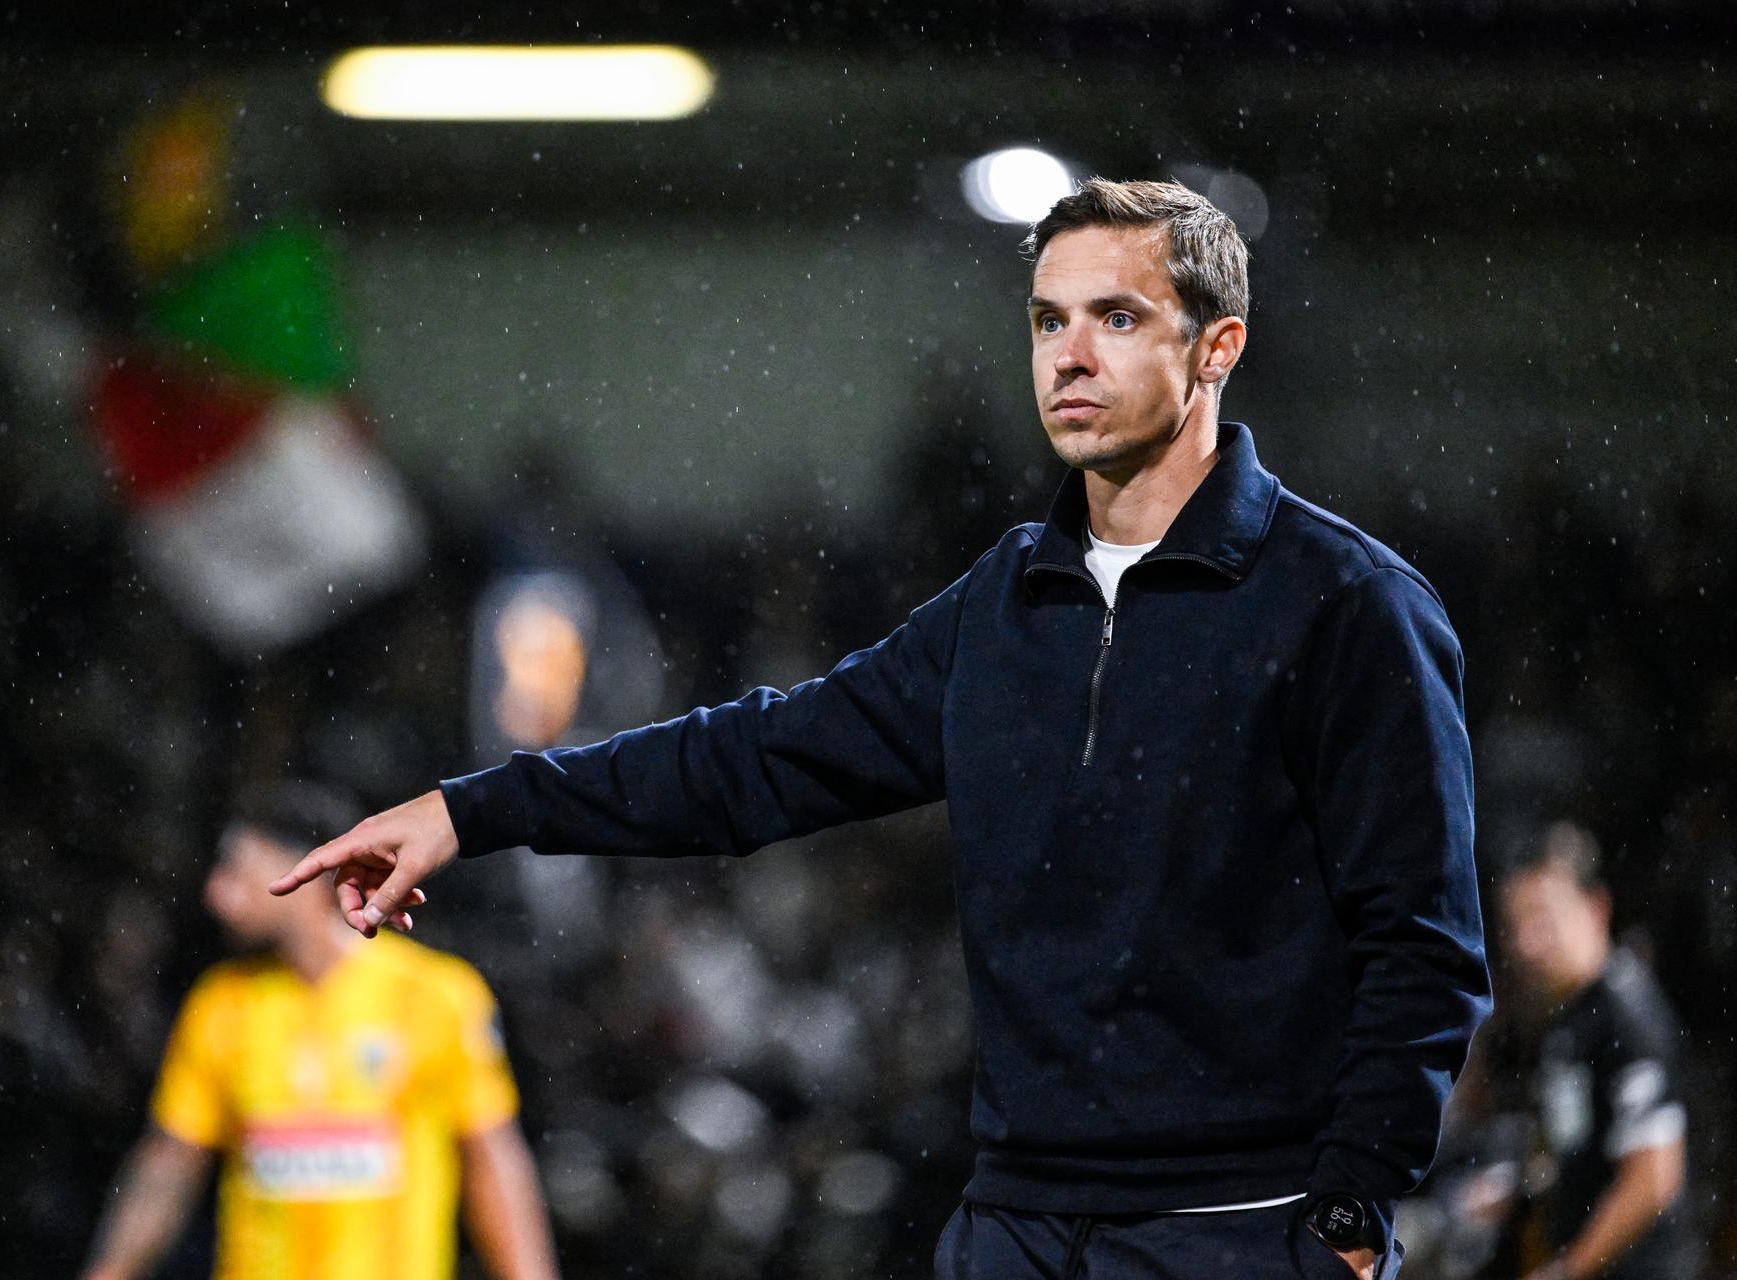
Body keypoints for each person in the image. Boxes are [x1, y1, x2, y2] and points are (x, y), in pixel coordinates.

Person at [272, 178, 1492, 1280]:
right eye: (1046, 320)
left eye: (1115, 318)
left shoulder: (1348, 604)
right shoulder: (1004, 605)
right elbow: (752, 760)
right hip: (1014, 1224)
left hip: (1241, 1227)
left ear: (1216, 346)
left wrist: (1344, 1215)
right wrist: (467, 809)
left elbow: (1427, 941)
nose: (1068, 355)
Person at [82, 782, 558, 1280]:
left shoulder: (435, 996)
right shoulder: (222, 1004)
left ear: (306, 872)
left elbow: (492, 1164)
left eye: (239, 871)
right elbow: (171, 1164)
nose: (216, 894)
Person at [1497, 821, 1692, 1280]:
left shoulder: (1628, 1013)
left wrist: (1570, 1269)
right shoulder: (1566, 1017)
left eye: (1543, 919)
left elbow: (1654, 1176)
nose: (1528, 942)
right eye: (1517, 925)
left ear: (1596, 908)